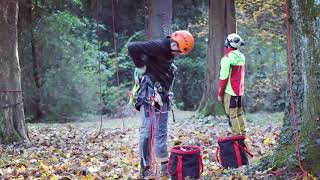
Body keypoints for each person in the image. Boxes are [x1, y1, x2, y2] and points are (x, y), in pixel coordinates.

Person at [127, 30, 194, 179]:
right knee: (148, 129)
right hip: (148, 93)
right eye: (180, 51)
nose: (179, 55)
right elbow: (132, 47)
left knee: (162, 131)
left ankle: (164, 166)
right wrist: (140, 66)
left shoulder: (170, 51)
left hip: (162, 95)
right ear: (176, 44)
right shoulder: (159, 45)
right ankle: (145, 168)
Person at [217, 33, 246, 135]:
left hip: (230, 91)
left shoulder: (226, 58)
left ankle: (237, 139)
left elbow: (223, 78)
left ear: (228, 44)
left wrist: (220, 94)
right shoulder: (242, 56)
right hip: (240, 91)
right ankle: (243, 134)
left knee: (232, 115)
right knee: (239, 113)